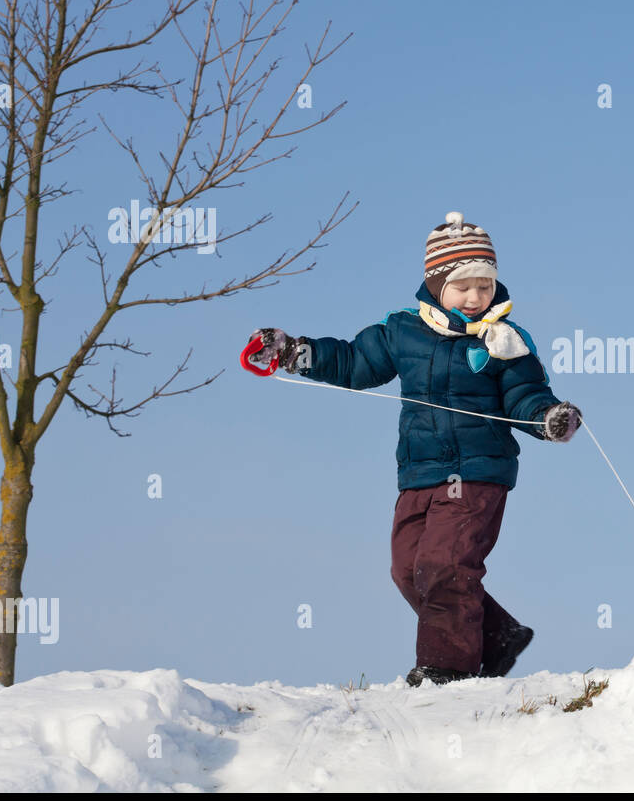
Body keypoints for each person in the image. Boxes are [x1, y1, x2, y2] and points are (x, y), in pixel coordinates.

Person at [246, 211, 581, 687]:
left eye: (484, 286)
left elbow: (526, 396)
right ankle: (498, 634)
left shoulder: (505, 340)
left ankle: (446, 668)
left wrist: (548, 419)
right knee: (409, 571)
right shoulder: (403, 330)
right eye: (463, 286)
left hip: (479, 472)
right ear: (436, 283)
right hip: (419, 474)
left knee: (445, 566)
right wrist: (296, 353)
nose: (475, 296)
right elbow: (354, 362)